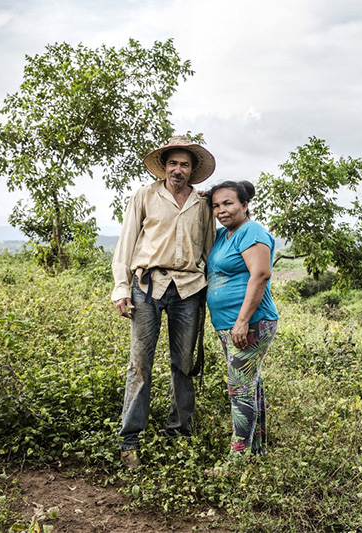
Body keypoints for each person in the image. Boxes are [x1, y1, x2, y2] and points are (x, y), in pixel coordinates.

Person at [111, 135, 216, 470]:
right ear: (164, 166)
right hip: (147, 284)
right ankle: (130, 440)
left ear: (192, 170)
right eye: (173, 163)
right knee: (140, 364)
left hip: (188, 287)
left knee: (183, 364)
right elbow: (127, 241)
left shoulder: (202, 204)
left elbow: (209, 251)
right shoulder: (145, 195)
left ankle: (180, 433)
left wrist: (216, 292)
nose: (178, 170)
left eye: (185, 164)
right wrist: (121, 287)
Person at [205, 180, 280, 467]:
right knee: (249, 384)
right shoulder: (225, 234)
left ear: (244, 205)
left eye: (228, 203)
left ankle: (236, 460)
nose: (221, 210)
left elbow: (260, 275)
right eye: (216, 205)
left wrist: (242, 321)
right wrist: (203, 198)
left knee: (239, 388)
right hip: (230, 325)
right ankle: (256, 449)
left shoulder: (252, 231)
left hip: (250, 324)